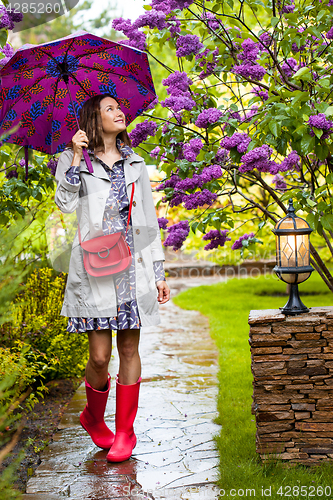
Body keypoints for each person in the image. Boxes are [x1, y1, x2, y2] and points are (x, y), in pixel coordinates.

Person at [54, 93, 170, 463]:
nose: (119, 112)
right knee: (100, 358)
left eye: (119, 107)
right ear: (94, 118)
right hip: (95, 269)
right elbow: (65, 203)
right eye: (110, 108)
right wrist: (74, 156)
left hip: (130, 268)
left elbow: (149, 220)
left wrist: (158, 273)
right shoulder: (73, 159)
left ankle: (125, 432)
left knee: (130, 350)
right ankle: (92, 416)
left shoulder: (135, 163)